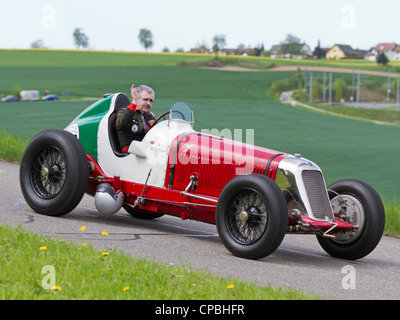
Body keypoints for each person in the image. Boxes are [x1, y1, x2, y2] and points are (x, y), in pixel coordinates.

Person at [115, 84, 156, 153]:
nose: (148, 103)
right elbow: (122, 124)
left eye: (151, 101)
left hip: (148, 151)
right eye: (145, 99)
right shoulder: (123, 112)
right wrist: (134, 102)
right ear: (137, 98)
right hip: (131, 154)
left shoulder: (150, 116)